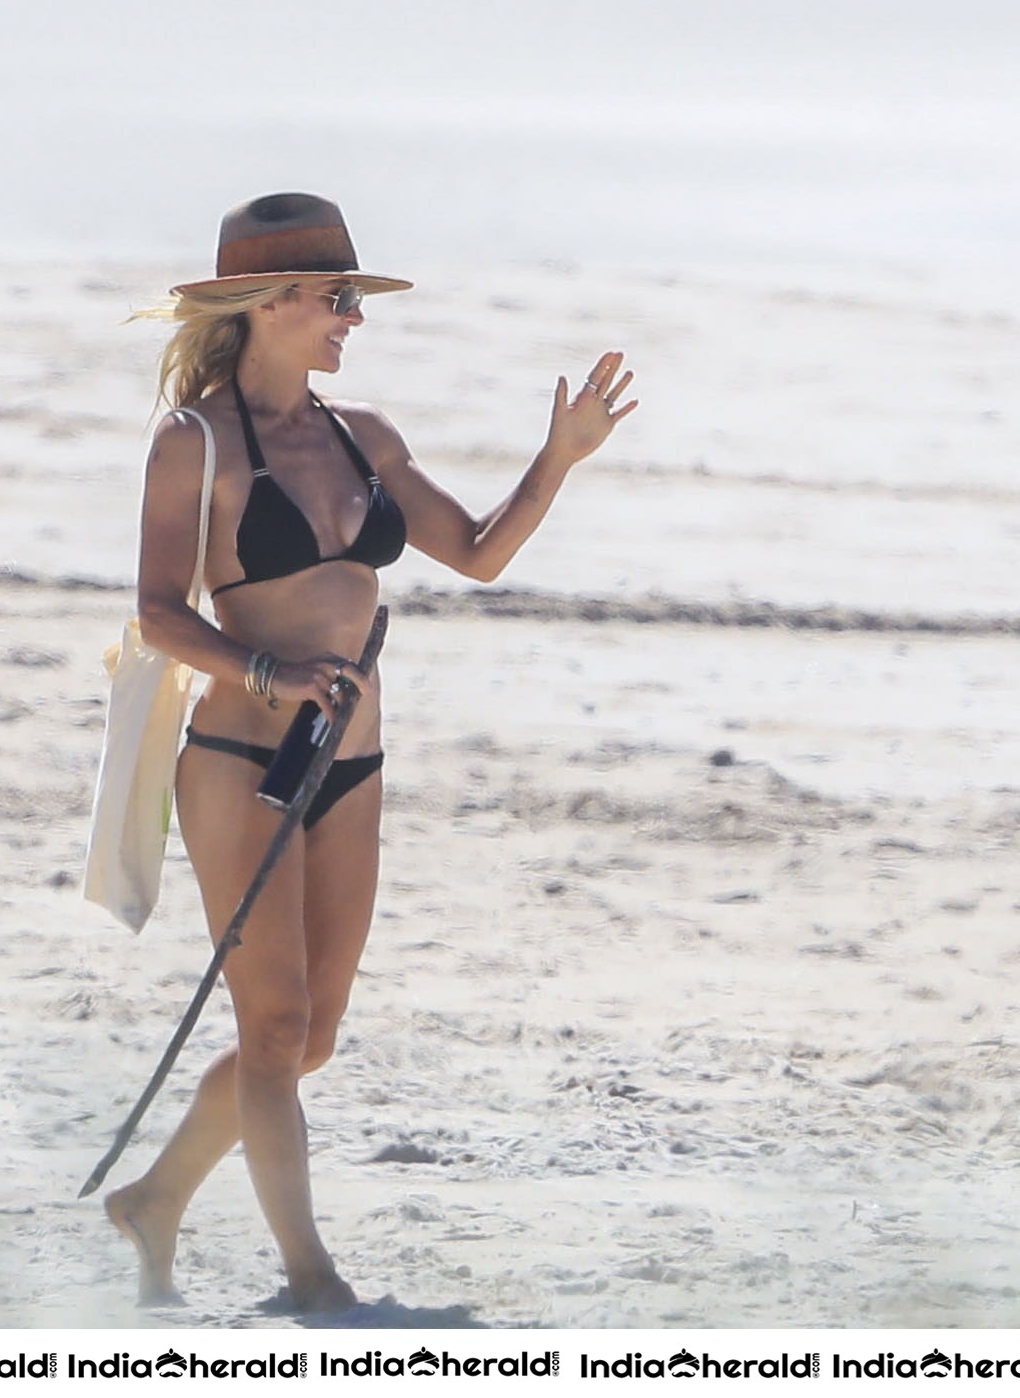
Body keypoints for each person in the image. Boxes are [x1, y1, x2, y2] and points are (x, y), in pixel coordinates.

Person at [104, 192, 638, 1312]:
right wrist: (265, 674)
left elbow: (480, 554)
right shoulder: (192, 443)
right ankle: (310, 1279)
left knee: (311, 1037)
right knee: (275, 1024)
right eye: (335, 298)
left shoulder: (364, 437)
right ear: (263, 304)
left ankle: (155, 1200)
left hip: (353, 765)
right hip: (240, 761)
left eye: (354, 297)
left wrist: (560, 459)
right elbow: (157, 612)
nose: (353, 317)